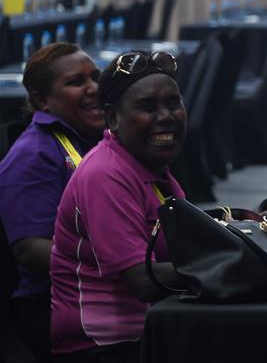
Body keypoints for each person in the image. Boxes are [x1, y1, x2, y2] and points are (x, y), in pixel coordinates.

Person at [50, 51, 188, 363]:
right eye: (147, 107)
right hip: (103, 349)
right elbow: (142, 279)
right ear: (112, 118)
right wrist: (229, 268)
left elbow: (186, 244)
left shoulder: (147, 164)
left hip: (148, 332)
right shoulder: (105, 175)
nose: (166, 116)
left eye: (173, 103)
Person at [0, 42, 105, 362]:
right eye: (77, 82)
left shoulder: (87, 140)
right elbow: (30, 250)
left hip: (91, 295)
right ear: (41, 100)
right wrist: (118, 269)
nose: (94, 89)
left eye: (96, 77)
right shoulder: (33, 156)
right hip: (51, 308)